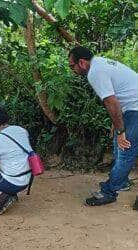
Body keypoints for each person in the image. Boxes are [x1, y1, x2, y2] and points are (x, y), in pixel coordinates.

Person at [68, 46, 138, 207]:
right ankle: (122, 182)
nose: (73, 70)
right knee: (118, 145)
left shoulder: (95, 72)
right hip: (131, 108)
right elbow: (116, 100)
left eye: (72, 66)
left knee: (126, 149)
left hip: (135, 108)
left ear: (82, 62)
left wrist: (121, 130)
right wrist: (117, 125)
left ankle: (108, 192)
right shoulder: (99, 63)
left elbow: (111, 102)